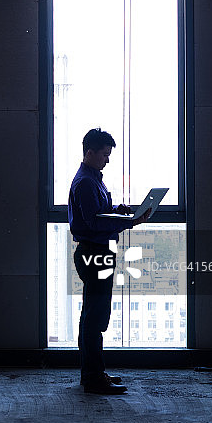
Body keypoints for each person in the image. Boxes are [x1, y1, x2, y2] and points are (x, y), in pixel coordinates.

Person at [68, 127, 152, 395]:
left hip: (96, 251)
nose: (107, 159)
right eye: (104, 154)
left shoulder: (93, 180)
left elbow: (99, 214)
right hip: (94, 252)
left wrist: (119, 211)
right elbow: (93, 222)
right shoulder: (86, 183)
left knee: (95, 314)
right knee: (96, 316)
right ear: (89, 152)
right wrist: (128, 223)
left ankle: (93, 373)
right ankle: (93, 377)